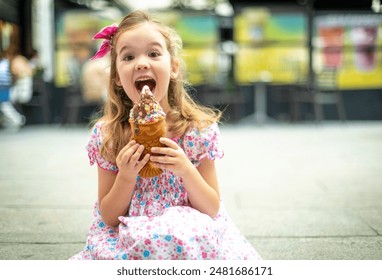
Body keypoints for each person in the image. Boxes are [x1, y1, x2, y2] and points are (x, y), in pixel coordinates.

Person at [70, 10, 260, 260]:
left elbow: (212, 207)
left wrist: (185, 169)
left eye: (153, 53)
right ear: (116, 76)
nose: (141, 63)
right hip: (129, 229)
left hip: (191, 227)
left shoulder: (196, 131)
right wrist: (126, 176)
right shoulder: (109, 136)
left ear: (173, 67)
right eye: (128, 56)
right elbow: (108, 216)